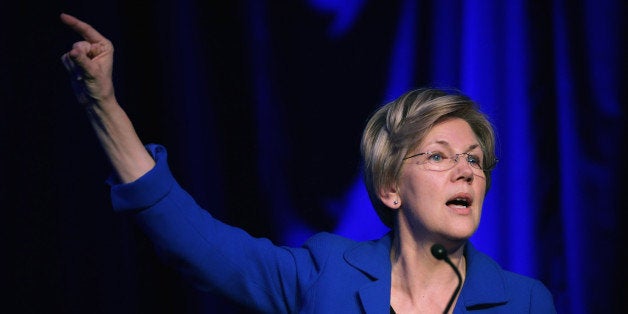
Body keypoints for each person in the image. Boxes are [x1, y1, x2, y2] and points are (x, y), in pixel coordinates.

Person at [60, 13, 557, 314]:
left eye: (475, 159)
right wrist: (102, 103)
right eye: (438, 156)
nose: (467, 170)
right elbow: (192, 239)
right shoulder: (325, 277)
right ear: (390, 188)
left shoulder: (525, 302)